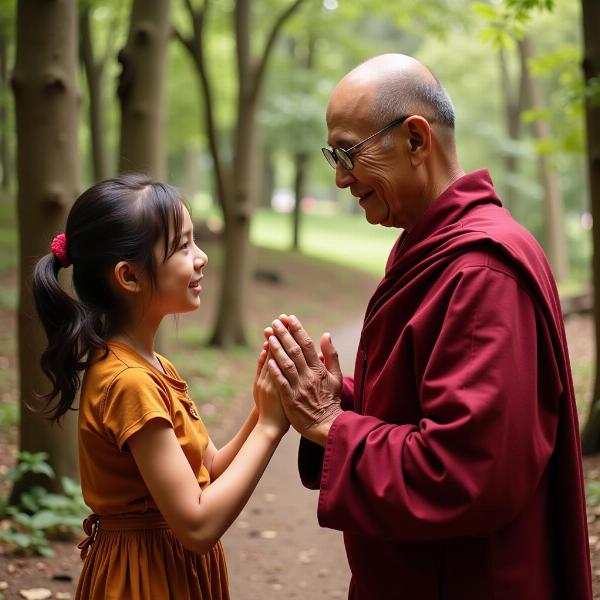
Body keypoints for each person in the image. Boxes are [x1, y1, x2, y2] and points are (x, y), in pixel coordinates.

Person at [264, 54, 593, 599]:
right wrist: (334, 399)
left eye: (349, 153)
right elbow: (421, 405)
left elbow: (465, 472)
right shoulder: (431, 243)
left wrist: (331, 426)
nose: (342, 178)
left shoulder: (482, 273)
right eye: (333, 157)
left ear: (416, 140)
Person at [31, 174, 288, 600]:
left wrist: (262, 410)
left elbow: (210, 471)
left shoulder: (153, 367)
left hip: (168, 569)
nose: (201, 257)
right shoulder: (129, 382)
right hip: (143, 580)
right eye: (183, 246)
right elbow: (198, 525)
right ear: (129, 276)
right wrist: (270, 429)